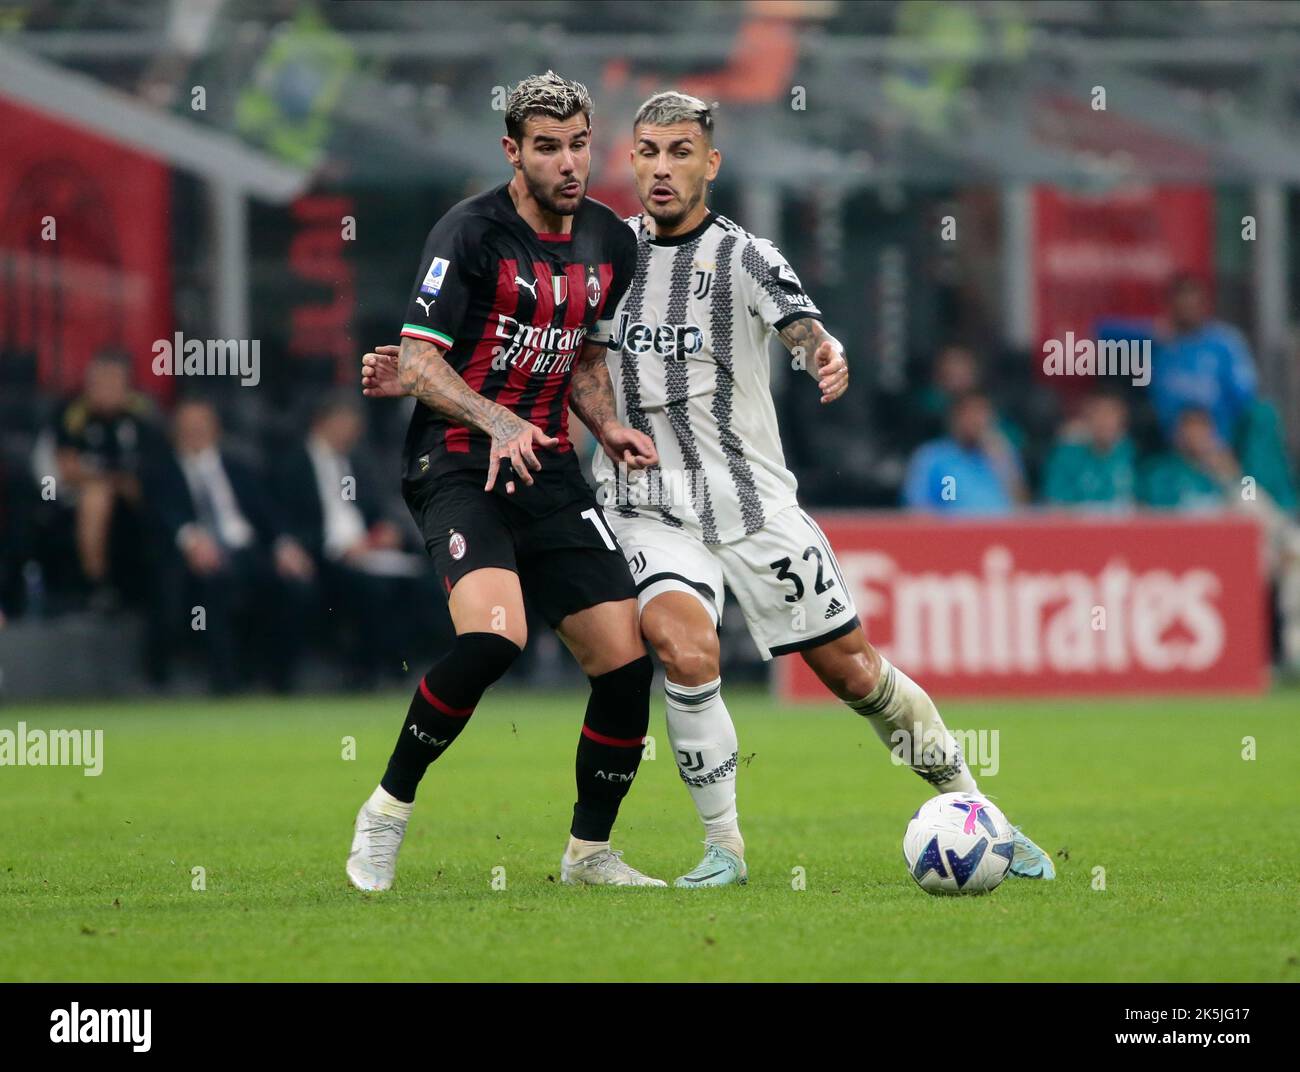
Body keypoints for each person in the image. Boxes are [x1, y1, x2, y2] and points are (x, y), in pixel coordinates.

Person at [367, 91, 1054, 888]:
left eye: (680, 153)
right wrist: (421, 371)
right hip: (647, 501)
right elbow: (540, 342)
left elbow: (801, 325)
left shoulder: (747, 256)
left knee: (854, 672)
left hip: (754, 502)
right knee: (680, 647)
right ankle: (724, 847)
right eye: (649, 153)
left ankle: (975, 806)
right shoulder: (601, 249)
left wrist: (821, 351)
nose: (662, 169)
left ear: (710, 163)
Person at [347, 72, 665, 893]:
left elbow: (585, 358)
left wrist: (607, 426)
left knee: (627, 666)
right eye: (548, 147)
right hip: (456, 460)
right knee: (494, 638)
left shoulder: (610, 242)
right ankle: (386, 810)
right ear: (512, 151)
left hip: (549, 468)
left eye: (579, 145)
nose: (568, 163)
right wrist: (497, 420)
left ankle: (588, 855)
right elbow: (417, 361)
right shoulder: (469, 233)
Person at [144, 398, 314, 694]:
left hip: (249, 551)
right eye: (188, 426)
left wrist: (285, 546)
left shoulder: (239, 468)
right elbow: (161, 514)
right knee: (215, 584)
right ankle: (225, 681)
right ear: (175, 431)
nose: (195, 431)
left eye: (202, 425)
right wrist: (191, 539)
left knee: (294, 584)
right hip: (199, 557)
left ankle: (281, 679)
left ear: (216, 429)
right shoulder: (160, 471)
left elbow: (267, 514)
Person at [903, 390, 1026, 514]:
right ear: (954, 418)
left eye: (982, 414)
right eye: (970, 414)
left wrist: (1003, 461)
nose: (977, 421)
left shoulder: (1003, 453)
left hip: (1002, 531)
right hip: (953, 531)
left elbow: (1023, 509)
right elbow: (917, 509)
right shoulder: (931, 457)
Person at [1042, 390, 1136, 511]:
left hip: (1125, 527)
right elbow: (1054, 505)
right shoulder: (1066, 457)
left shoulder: (1131, 454)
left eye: (1110, 415)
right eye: (1099, 414)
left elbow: (1144, 506)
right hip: (1078, 528)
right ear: (1087, 418)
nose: (1104, 422)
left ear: (1122, 419)